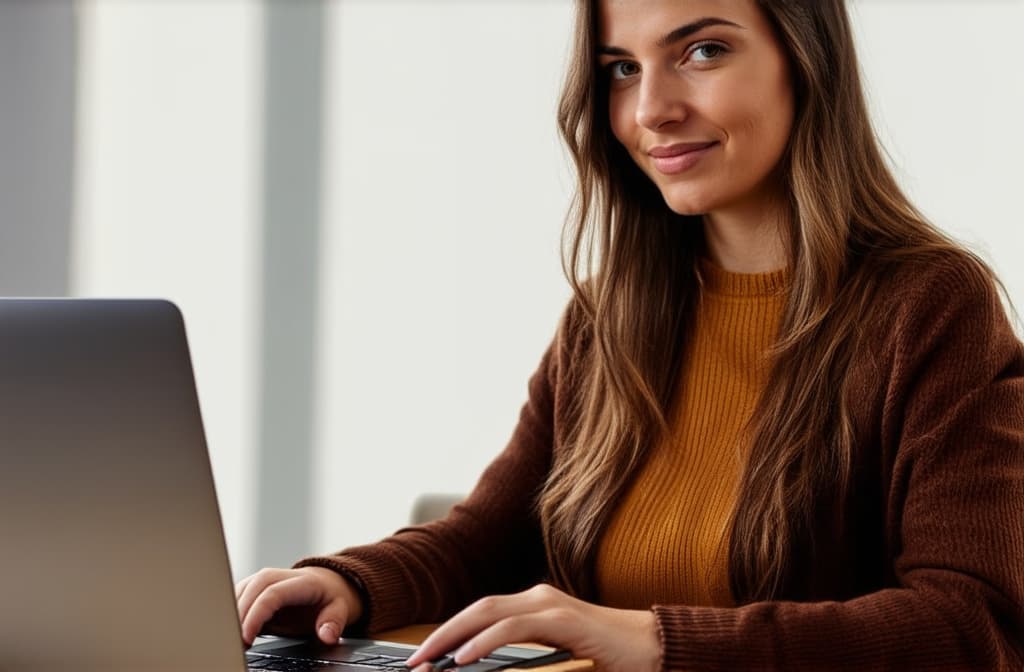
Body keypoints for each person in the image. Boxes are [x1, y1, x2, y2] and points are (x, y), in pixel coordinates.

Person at [235, 0, 1024, 669]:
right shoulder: (611, 314)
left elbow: (974, 624)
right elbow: (487, 540)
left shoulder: (930, 307)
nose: (651, 110)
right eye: (622, 68)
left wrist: (654, 642)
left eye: (703, 51)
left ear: (805, 57)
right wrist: (352, 584)